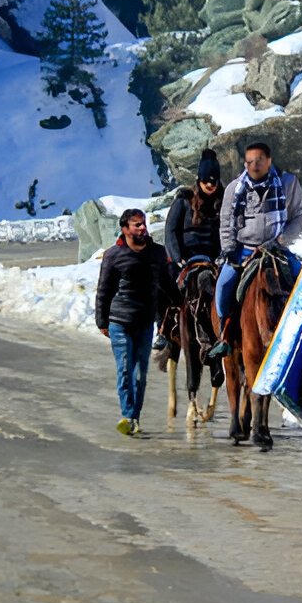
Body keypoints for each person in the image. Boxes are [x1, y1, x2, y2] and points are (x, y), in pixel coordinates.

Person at [208, 142, 302, 358]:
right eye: (251, 161)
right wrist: (230, 250)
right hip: (244, 251)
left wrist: (281, 239)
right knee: (223, 286)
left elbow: (300, 216)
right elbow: (226, 224)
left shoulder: (288, 183)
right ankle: (225, 335)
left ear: (268, 161)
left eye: (260, 161)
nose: (255, 165)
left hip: (277, 249)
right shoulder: (234, 188)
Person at [95, 208, 180, 436]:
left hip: (144, 322)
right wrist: (101, 321)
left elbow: (167, 283)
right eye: (137, 225)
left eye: (144, 223)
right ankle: (127, 415)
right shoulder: (113, 255)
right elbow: (104, 290)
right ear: (125, 229)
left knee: (140, 374)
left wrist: (180, 303)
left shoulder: (157, 253)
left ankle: (134, 417)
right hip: (119, 321)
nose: (143, 228)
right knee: (125, 369)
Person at [154, 149, 224, 350]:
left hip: (213, 258)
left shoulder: (223, 201)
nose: (210, 185)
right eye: (206, 181)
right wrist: (178, 257)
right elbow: (171, 231)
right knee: (161, 284)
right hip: (185, 257)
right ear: (199, 179)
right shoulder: (183, 200)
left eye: (214, 181)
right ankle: (163, 328)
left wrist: (222, 255)